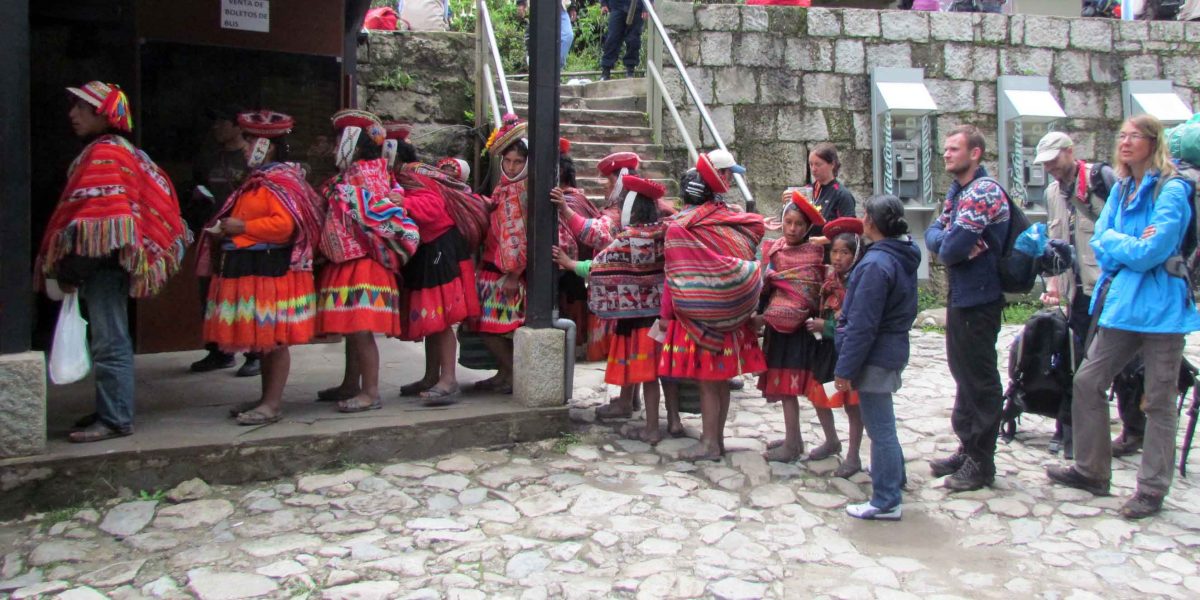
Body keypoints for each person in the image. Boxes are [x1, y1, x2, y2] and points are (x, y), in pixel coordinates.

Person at [1047, 115, 1200, 520]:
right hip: (1122, 305)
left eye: (1135, 136)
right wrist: (1126, 242)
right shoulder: (1125, 187)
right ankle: (1092, 469)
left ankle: (1151, 489)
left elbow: (1154, 250)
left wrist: (1123, 244)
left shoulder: (1172, 190)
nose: (1127, 142)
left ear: (1154, 142)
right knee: (1088, 380)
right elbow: (1103, 241)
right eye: (1123, 136)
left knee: (1159, 402)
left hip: (1163, 311)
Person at [36, 81, 190, 442]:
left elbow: (107, 223)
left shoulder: (107, 155)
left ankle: (116, 417)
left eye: (81, 108)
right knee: (108, 339)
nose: (72, 114)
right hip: (105, 264)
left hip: (103, 265)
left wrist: (75, 269)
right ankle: (110, 407)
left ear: (103, 114)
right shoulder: (118, 151)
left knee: (110, 341)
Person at [196, 110, 325, 425]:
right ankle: (266, 398)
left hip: (271, 267)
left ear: (269, 146)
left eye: (253, 139)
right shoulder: (257, 180)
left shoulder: (279, 181)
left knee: (275, 338)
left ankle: (272, 403)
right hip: (253, 265)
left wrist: (240, 226)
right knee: (264, 339)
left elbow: (284, 227)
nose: (247, 144)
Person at [554, 175, 681, 441]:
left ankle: (651, 429)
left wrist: (569, 263)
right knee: (666, 373)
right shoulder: (666, 232)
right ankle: (673, 421)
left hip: (639, 320)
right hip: (665, 316)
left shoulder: (628, 238)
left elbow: (600, 267)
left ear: (630, 210)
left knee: (648, 376)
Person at [659, 151, 766, 460]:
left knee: (708, 381)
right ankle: (716, 439)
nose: (730, 179)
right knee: (721, 380)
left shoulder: (682, 226)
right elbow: (750, 241)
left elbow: (676, 272)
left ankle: (709, 443)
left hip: (702, 316)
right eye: (726, 175)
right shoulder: (732, 218)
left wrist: (668, 313)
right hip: (735, 313)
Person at [314, 109, 420, 412]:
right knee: (352, 330)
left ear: (351, 143)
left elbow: (369, 212)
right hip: (354, 262)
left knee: (360, 331)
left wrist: (336, 190)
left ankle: (370, 392)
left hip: (363, 264)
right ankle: (351, 383)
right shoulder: (368, 172)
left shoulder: (363, 174)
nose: (335, 149)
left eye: (339, 143)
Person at [924, 124, 1011, 491]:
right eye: (945, 148)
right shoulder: (960, 190)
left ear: (975, 153)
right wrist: (949, 240)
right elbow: (934, 235)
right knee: (963, 374)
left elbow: (951, 248)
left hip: (980, 297)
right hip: (963, 294)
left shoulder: (983, 192)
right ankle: (967, 446)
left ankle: (981, 461)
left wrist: (949, 241)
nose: (946, 154)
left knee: (979, 378)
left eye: (954, 148)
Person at [839, 195, 922, 521]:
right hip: (890, 348)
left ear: (870, 222)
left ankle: (886, 499)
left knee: (880, 428)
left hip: (875, 354)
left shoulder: (876, 264)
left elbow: (863, 324)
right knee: (883, 424)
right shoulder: (901, 254)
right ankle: (895, 478)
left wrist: (845, 368)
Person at [1034, 131, 1116, 456]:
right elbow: (1055, 244)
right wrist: (1053, 283)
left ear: (1070, 152)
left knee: (1109, 362)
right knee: (1074, 361)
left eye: (1055, 159)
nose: (1051, 167)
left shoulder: (1100, 180)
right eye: (1046, 162)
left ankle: (1128, 429)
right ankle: (1069, 429)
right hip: (1076, 293)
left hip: (1105, 288)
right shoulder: (1052, 193)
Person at [392, 155, 486, 406]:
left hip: (440, 250)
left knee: (441, 318)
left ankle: (449, 380)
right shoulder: (408, 177)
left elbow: (433, 207)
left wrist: (405, 203)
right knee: (431, 319)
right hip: (430, 250)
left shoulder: (412, 176)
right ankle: (431, 376)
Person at [188, 104, 262, 378]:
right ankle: (218, 350)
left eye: (222, 122)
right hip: (215, 234)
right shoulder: (210, 159)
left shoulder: (252, 159)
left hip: (243, 236)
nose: (216, 127)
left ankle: (254, 353)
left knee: (244, 295)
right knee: (211, 294)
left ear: (238, 126)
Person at [754, 192, 828, 463]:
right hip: (777, 328)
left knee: (794, 387)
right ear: (782, 223)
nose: (793, 229)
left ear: (808, 227)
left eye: (799, 224)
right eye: (788, 222)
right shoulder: (774, 251)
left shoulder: (814, 255)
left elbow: (810, 290)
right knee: (784, 387)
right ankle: (793, 438)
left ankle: (797, 442)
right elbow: (765, 285)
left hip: (801, 332)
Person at [474, 114, 531, 394]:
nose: (511, 166)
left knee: (494, 329)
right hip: (492, 266)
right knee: (491, 328)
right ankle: (504, 372)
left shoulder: (525, 191)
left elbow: (526, 235)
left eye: (518, 161)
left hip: (509, 273)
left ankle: (512, 374)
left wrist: (515, 273)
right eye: (507, 161)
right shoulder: (503, 188)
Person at [806, 217, 866, 476]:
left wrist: (826, 328)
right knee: (820, 395)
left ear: (856, 254)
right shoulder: (829, 279)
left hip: (847, 352)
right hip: (827, 353)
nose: (838, 257)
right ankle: (831, 439)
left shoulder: (859, 281)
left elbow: (857, 322)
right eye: (835, 251)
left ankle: (853, 455)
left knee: (852, 403)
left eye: (845, 252)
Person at [808, 143, 858, 235]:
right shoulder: (808, 190)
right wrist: (788, 204)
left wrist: (823, 240)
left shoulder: (842, 195)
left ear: (832, 164)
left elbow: (850, 232)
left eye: (818, 164)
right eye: (811, 164)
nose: (813, 169)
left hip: (829, 248)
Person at [516, 0, 576, 72]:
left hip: (560, 6)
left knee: (567, 36)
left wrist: (572, 7)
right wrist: (521, 3)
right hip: (540, 6)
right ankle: (536, 62)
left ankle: (554, 68)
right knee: (541, 38)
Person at [600, 0, 648, 80]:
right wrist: (604, 3)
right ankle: (606, 71)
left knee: (633, 40)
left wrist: (646, 7)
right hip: (617, 5)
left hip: (637, 6)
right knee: (612, 38)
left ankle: (630, 71)